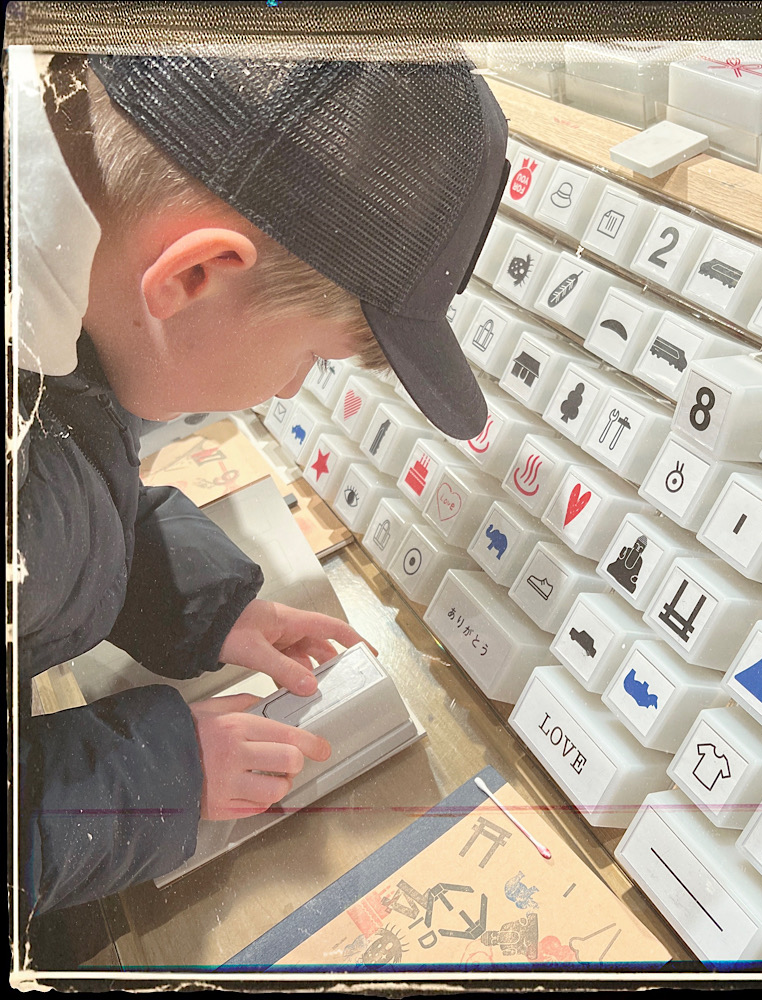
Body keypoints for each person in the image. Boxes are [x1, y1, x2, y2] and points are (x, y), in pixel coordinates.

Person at [14, 47, 509, 925]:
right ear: (193, 276)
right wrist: (158, 778)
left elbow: (71, 485)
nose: (289, 388)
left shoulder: (64, 294)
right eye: (310, 355)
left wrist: (205, 604)